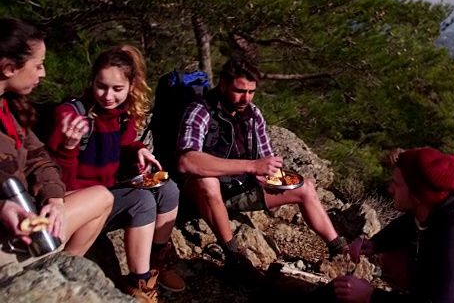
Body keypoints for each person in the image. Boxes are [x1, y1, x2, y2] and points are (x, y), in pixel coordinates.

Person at [175, 59, 348, 274]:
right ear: (223, 85)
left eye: (251, 92)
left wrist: (270, 175)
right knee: (208, 182)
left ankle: (339, 249)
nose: (245, 98)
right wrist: (251, 166)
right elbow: (186, 161)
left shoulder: (253, 114)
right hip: (201, 192)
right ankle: (234, 257)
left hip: (240, 188)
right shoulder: (200, 110)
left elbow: (266, 158)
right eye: (239, 91)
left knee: (306, 187)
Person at [45, 44, 185, 302]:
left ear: (131, 87)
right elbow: (55, 180)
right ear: (92, 81)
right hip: (78, 200)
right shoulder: (72, 117)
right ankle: (138, 282)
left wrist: (138, 150)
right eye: (101, 86)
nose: (108, 96)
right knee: (141, 201)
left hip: (107, 190)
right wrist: (68, 146)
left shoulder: (121, 116)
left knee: (167, 188)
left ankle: (156, 264)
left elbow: (125, 143)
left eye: (117, 89)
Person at [331, 147, 454, 303]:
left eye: (396, 184)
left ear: (417, 195)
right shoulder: (440, 207)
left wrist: (371, 296)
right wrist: (375, 244)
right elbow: (408, 223)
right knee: (392, 256)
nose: (390, 189)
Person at [0, 17, 113, 265]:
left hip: (26, 220)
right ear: (9, 68)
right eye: (38, 65)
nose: (43, 73)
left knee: (102, 196)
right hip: (8, 233)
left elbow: (39, 160)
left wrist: (54, 199)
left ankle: (58, 273)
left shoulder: (8, 108)